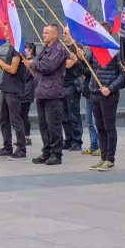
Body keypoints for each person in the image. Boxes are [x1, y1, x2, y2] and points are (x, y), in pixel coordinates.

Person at [30, 24, 75, 165]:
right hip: (42, 91)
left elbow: (47, 66)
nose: (43, 35)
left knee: (53, 125)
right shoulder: (45, 47)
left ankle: (56, 153)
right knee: (43, 125)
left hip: (53, 92)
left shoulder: (59, 49)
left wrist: (34, 64)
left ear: (55, 34)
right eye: (43, 32)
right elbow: (38, 61)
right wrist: (36, 63)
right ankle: (47, 151)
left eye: (46, 32)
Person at [87, 45, 125, 171]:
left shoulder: (115, 51)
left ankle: (110, 159)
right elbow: (87, 69)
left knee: (109, 126)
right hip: (94, 92)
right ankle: (103, 157)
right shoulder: (94, 51)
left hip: (108, 95)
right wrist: (80, 57)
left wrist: (110, 88)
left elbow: (123, 74)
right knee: (100, 127)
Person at [0, 39, 27, 159]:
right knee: (4, 120)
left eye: (6, 29)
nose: (5, 32)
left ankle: (21, 148)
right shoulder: (11, 47)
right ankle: (7, 146)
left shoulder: (18, 48)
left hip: (13, 90)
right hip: (6, 88)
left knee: (15, 120)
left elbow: (12, 69)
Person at [62, 35, 88, 153]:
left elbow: (70, 64)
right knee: (64, 116)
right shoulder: (62, 47)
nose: (63, 35)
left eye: (66, 33)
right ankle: (69, 139)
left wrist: (73, 61)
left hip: (72, 85)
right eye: (63, 32)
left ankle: (77, 141)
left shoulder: (77, 48)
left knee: (73, 114)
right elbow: (64, 63)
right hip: (61, 85)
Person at [21, 42, 36, 146]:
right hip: (22, 89)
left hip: (27, 90)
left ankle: (27, 136)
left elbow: (25, 75)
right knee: (21, 114)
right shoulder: (25, 60)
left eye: (25, 48)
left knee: (24, 114)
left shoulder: (32, 61)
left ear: (30, 50)